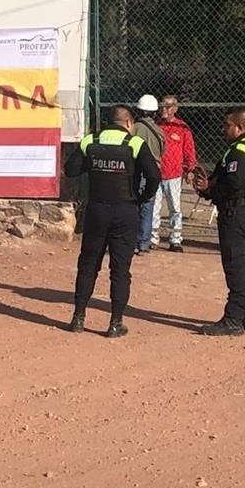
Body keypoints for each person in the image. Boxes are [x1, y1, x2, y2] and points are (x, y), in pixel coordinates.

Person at [64, 106, 161, 338]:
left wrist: (93, 166)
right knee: (120, 269)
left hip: (97, 210)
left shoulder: (90, 141)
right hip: (125, 210)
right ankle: (115, 322)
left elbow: (71, 170)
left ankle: (78, 318)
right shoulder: (135, 144)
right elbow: (154, 176)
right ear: (128, 123)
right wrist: (143, 197)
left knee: (88, 264)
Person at [193, 107, 245, 336]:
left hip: (237, 213)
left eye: (227, 125)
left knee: (236, 265)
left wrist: (210, 189)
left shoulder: (239, 151)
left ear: (239, 126)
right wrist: (210, 185)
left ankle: (233, 319)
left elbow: (233, 184)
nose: (224, 129)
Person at [155, 95, 197, 252]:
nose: (164, 110)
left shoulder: (181, 127)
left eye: (167, 107)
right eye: (162, 106)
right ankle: (152, 237)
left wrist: (190, 169)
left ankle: (175, 239)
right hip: (156, 172)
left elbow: (189, 149)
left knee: (175, 208)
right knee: (154, 207)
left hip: (173, 174)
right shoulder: (156, 126)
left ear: (175, 108)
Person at [133, 94, 165, 255]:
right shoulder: (159, 131)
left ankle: (132, 241)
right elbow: (162, 151)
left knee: (134, 206)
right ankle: (144, 243)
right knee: (148, 206)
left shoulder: (134, 128)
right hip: (154, 172)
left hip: (137, 171)